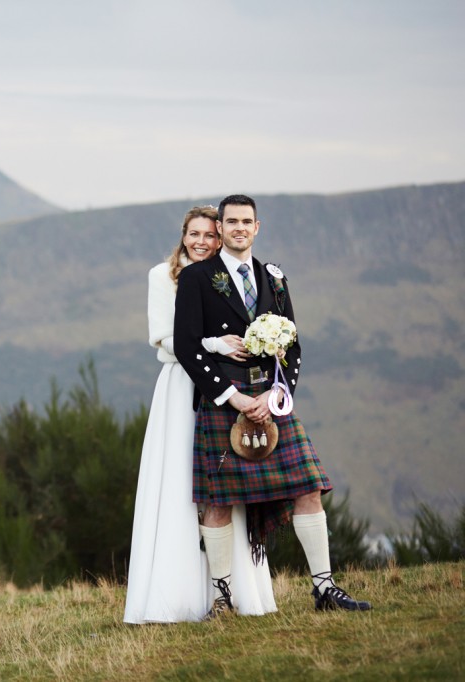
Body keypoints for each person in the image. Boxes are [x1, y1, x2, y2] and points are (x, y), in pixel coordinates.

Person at [174, 194, 372, 618]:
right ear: (221, 228)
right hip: (225, 399)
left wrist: (277, 395)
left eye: (247, 221)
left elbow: (293, 345)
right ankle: (222, 599)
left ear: (257, 227)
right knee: (218, 501)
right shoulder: (197, 278)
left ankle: (324, 589)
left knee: (308, 487)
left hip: (271, 397)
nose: (239, 228)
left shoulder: (275, 277)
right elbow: (187, 347)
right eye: (231, 222)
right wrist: (236, 397)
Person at [124, 206, 275, 624]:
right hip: (180, 387)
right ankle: (176, 596)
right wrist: (216, 345)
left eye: (211, 234)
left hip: (226, 390)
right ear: (183, 235)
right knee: (179, 487)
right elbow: (166, 339)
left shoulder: (223, 278)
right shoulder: (164, 275)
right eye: (195, 234)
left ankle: (234, 593)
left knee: (225, 487)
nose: (203, 241)